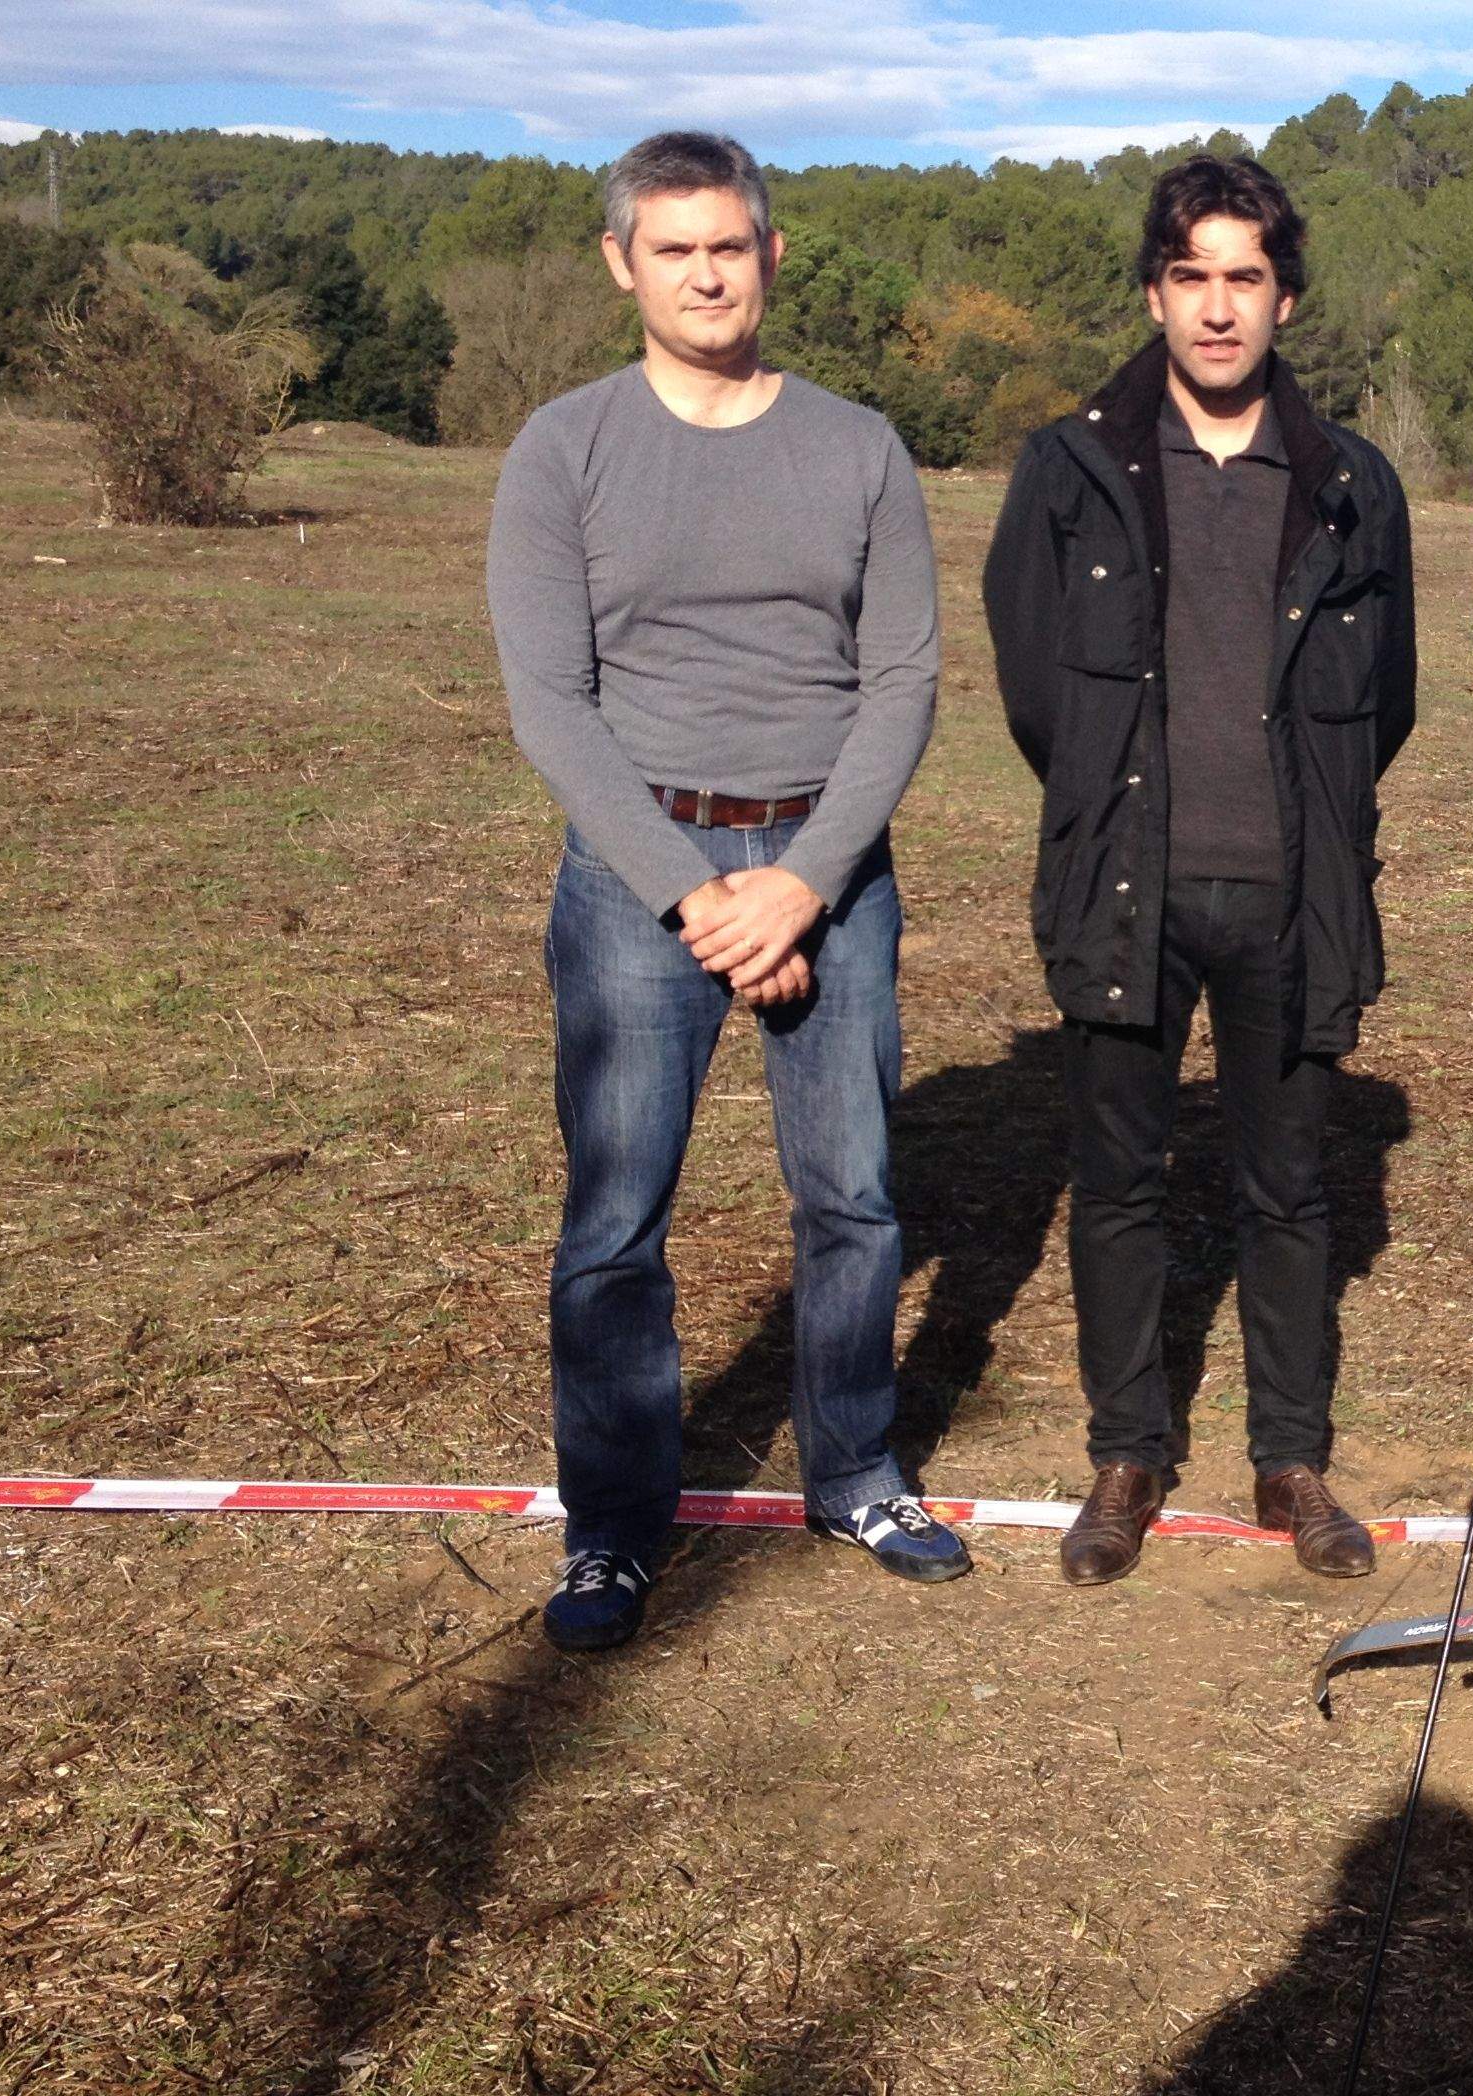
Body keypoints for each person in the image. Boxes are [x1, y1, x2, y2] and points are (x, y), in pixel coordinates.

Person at [488, 130, 968, 1653]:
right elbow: (551, 703)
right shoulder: (561, 449)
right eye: (674, 247)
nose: (707, 272)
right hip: (643, 882)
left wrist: (804, 884)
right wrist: (699, 897)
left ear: (770, 253)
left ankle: (857, 1471)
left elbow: (900, 681)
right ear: (621, 261)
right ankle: (616, 1527)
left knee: (853, 1201)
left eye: (732, 244)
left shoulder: (858, 446)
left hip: (831, 870)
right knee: (615, 1222)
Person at [983, 155, 1416, 1587]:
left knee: (1288, 1191)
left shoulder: (1355, 484)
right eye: (1190, 276)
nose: (1217, 308)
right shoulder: (1069, 469)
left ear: (1283, 296)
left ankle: (1290, 1456)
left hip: (1293, 896)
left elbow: (1386, 704)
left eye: (1244, 277)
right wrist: (1125, 814)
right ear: (1152, 291)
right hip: (1125, 885)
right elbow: (1037, 689)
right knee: (1114, 1180)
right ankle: (1126, 1457)